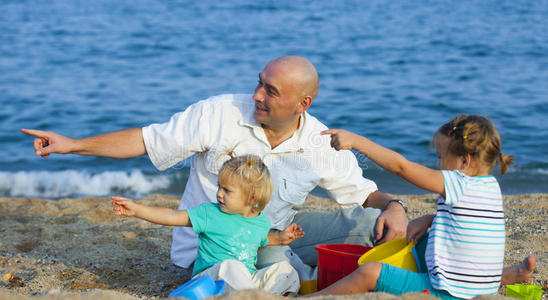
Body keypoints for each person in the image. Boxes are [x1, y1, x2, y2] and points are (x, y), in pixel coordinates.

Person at [20, 56, 533, 285]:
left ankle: (468, 277)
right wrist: (72, 145)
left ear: (303, 102)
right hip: (221, 246)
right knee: (279, 258)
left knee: (372, 224)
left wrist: (396, 207)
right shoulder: (221, 112)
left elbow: (362, 193)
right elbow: (145, 139)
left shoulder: (319, 138)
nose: (258, 95)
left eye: (271, 91)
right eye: (259, 84)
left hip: (278, 236)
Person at [312, 115, 533, 299]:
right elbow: (467, 228)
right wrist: (429, 219)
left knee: (370, 272)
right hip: (484, 287)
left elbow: (401, 167)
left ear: (465, 162)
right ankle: (505, 275)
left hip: (448, 293)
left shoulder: (457, 181)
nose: (438, 165)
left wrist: (356, 141)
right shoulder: (490, 186)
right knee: (423, 242)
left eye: (440, 157)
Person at [112, 154, 302, 294]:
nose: (219, 193)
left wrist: (280, 238)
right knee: (231, 266)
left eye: (227, 190)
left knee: (285, 271)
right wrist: (137, 210)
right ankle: (251, 296)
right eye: (219, 186)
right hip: (209, 281)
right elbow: (171, 215)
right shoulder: (209, 213)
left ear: (251, 198)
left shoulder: (260, 221)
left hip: (244, 282)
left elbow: (261, 240)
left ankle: (262, 297)